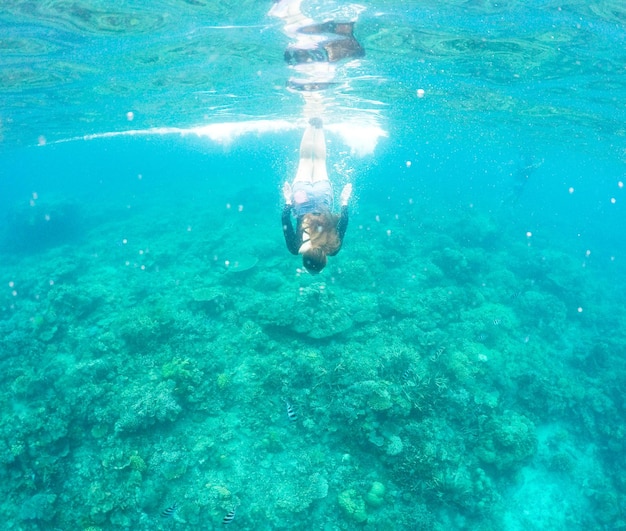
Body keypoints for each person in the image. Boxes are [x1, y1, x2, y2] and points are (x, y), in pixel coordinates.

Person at [282, 118, 352, 274]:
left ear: (324, 260)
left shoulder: (332, 248)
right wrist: (288, 200)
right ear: (304, 259)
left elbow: (344, 221)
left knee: (320, 161)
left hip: (323, 199)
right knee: (305, 160)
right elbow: (285, 220)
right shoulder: (295, 249)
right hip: (301, 200)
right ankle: (311, 124)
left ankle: (319, 125)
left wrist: (344, 201)